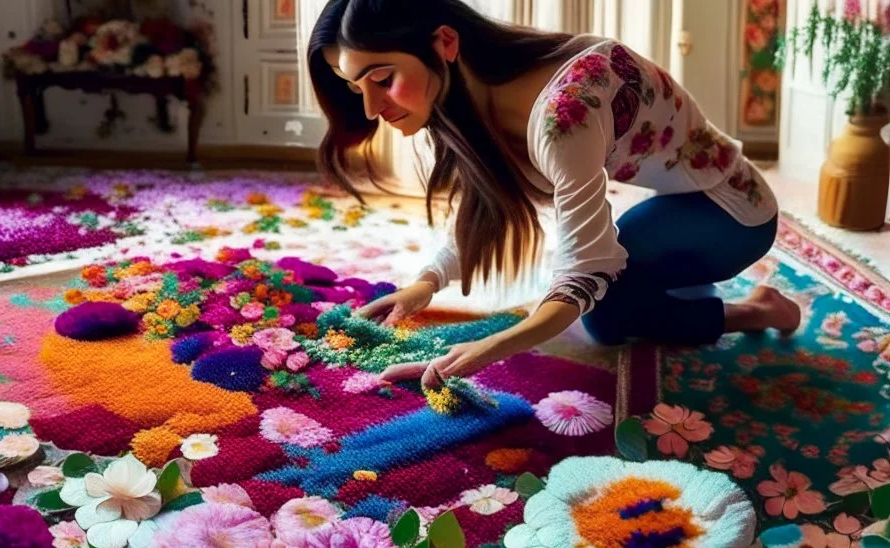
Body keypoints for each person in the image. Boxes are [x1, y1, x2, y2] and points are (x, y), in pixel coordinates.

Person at [307, 0, 801, 389]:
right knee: (608, 323)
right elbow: (484, 203)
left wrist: (490, 348)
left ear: (445, 43)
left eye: (382, 80)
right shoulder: (469, 93)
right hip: (679, 201)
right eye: (356, 88)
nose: (372, 107)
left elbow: (582, 274)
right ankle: (683, 288)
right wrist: (427, 282)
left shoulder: (565, 115)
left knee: (602, 311)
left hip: (735, 215)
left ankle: (758, 310)